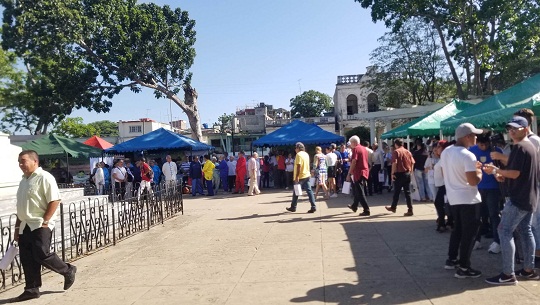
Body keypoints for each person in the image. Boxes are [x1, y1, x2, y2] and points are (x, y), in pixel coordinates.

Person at [12, 150, 77, 302]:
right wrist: (17, 227)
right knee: (27, 258)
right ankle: (31, 289)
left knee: (42, 253)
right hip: (25, 225)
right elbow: (21, 207)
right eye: (19, 162)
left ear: (35, 161)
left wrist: (46, 221)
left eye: (23, 161)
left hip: (39, 223)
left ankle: (67, 270)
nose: (21, 164)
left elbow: (54, 200)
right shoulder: (24, 180)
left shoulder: (45, 177)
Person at [484, 117, 539, 285]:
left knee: (504, 231)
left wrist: (496, 170)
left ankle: (508, 274)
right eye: (509, 129)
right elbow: (518, 174)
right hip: (529, 196)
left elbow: (515, 173)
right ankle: (528, 269)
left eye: (516, 128)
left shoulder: (520, 147)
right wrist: (501, 174)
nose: (512, 131)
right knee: (525, 231)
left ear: (526, 128)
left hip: (519, 198)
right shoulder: (529, 147)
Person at [439, 123, 484, 279]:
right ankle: (464, 266)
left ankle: (452, 259)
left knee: (458, 229)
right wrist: (479, 171)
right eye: (474, 135)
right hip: (468, 198)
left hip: (453, 197)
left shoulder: (446, 152)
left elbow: (444, 172)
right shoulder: (468, 155)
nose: (476, 137)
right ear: (467, 137)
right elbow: (473, 181)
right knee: (469, 234)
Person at [469, 131, 503, 254]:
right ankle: (476, 240)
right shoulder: (471, 150)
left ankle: (497, 241)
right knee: (477, 216)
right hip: (477, 188)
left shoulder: (496, 151)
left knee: (494, 215)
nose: (483, 147)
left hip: (493, 188)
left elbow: (503, 168)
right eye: (481, 145)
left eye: (485, 145)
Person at [385, 138, 415, 216]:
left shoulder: (396, 152)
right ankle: (410, 209)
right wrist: (411, 171)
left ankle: (393, 207)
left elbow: (394, 163)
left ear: (396, 144)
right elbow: (412, 162)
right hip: (407, 173)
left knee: (396, 191)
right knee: (407, 192)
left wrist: (392, 173)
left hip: (399, 174)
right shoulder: (407, 151)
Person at [286, 142, 317, 213]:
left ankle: (293, 207)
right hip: (306, 175)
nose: (295, 149)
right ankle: (313, 206)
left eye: (295, 148)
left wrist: (296, 176)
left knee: (296, 191)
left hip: (300, 176)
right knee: (309, 191)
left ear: (298, 148)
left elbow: (299, 166)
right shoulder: (306, 154)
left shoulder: (298, 155)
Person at [346, 136, 371, 216]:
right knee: (358, 190)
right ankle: (354, 206)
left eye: (351, 143)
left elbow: (354, 162)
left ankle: (366, 209)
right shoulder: (364, 148)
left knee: (360, 191)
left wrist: (349, 173)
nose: (350, 145)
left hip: (359, 172)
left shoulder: (356, 149)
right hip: (364, 171)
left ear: (354, 142)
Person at [433, 140, 452, 232]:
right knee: (443, 204)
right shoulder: (441, 158)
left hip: (444, 185)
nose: (437, 149)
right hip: (442, 185)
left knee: (439, 203)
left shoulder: (444, 159)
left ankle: (442, 223)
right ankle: (447, 222)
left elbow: (445, 173)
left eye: (439, 147)